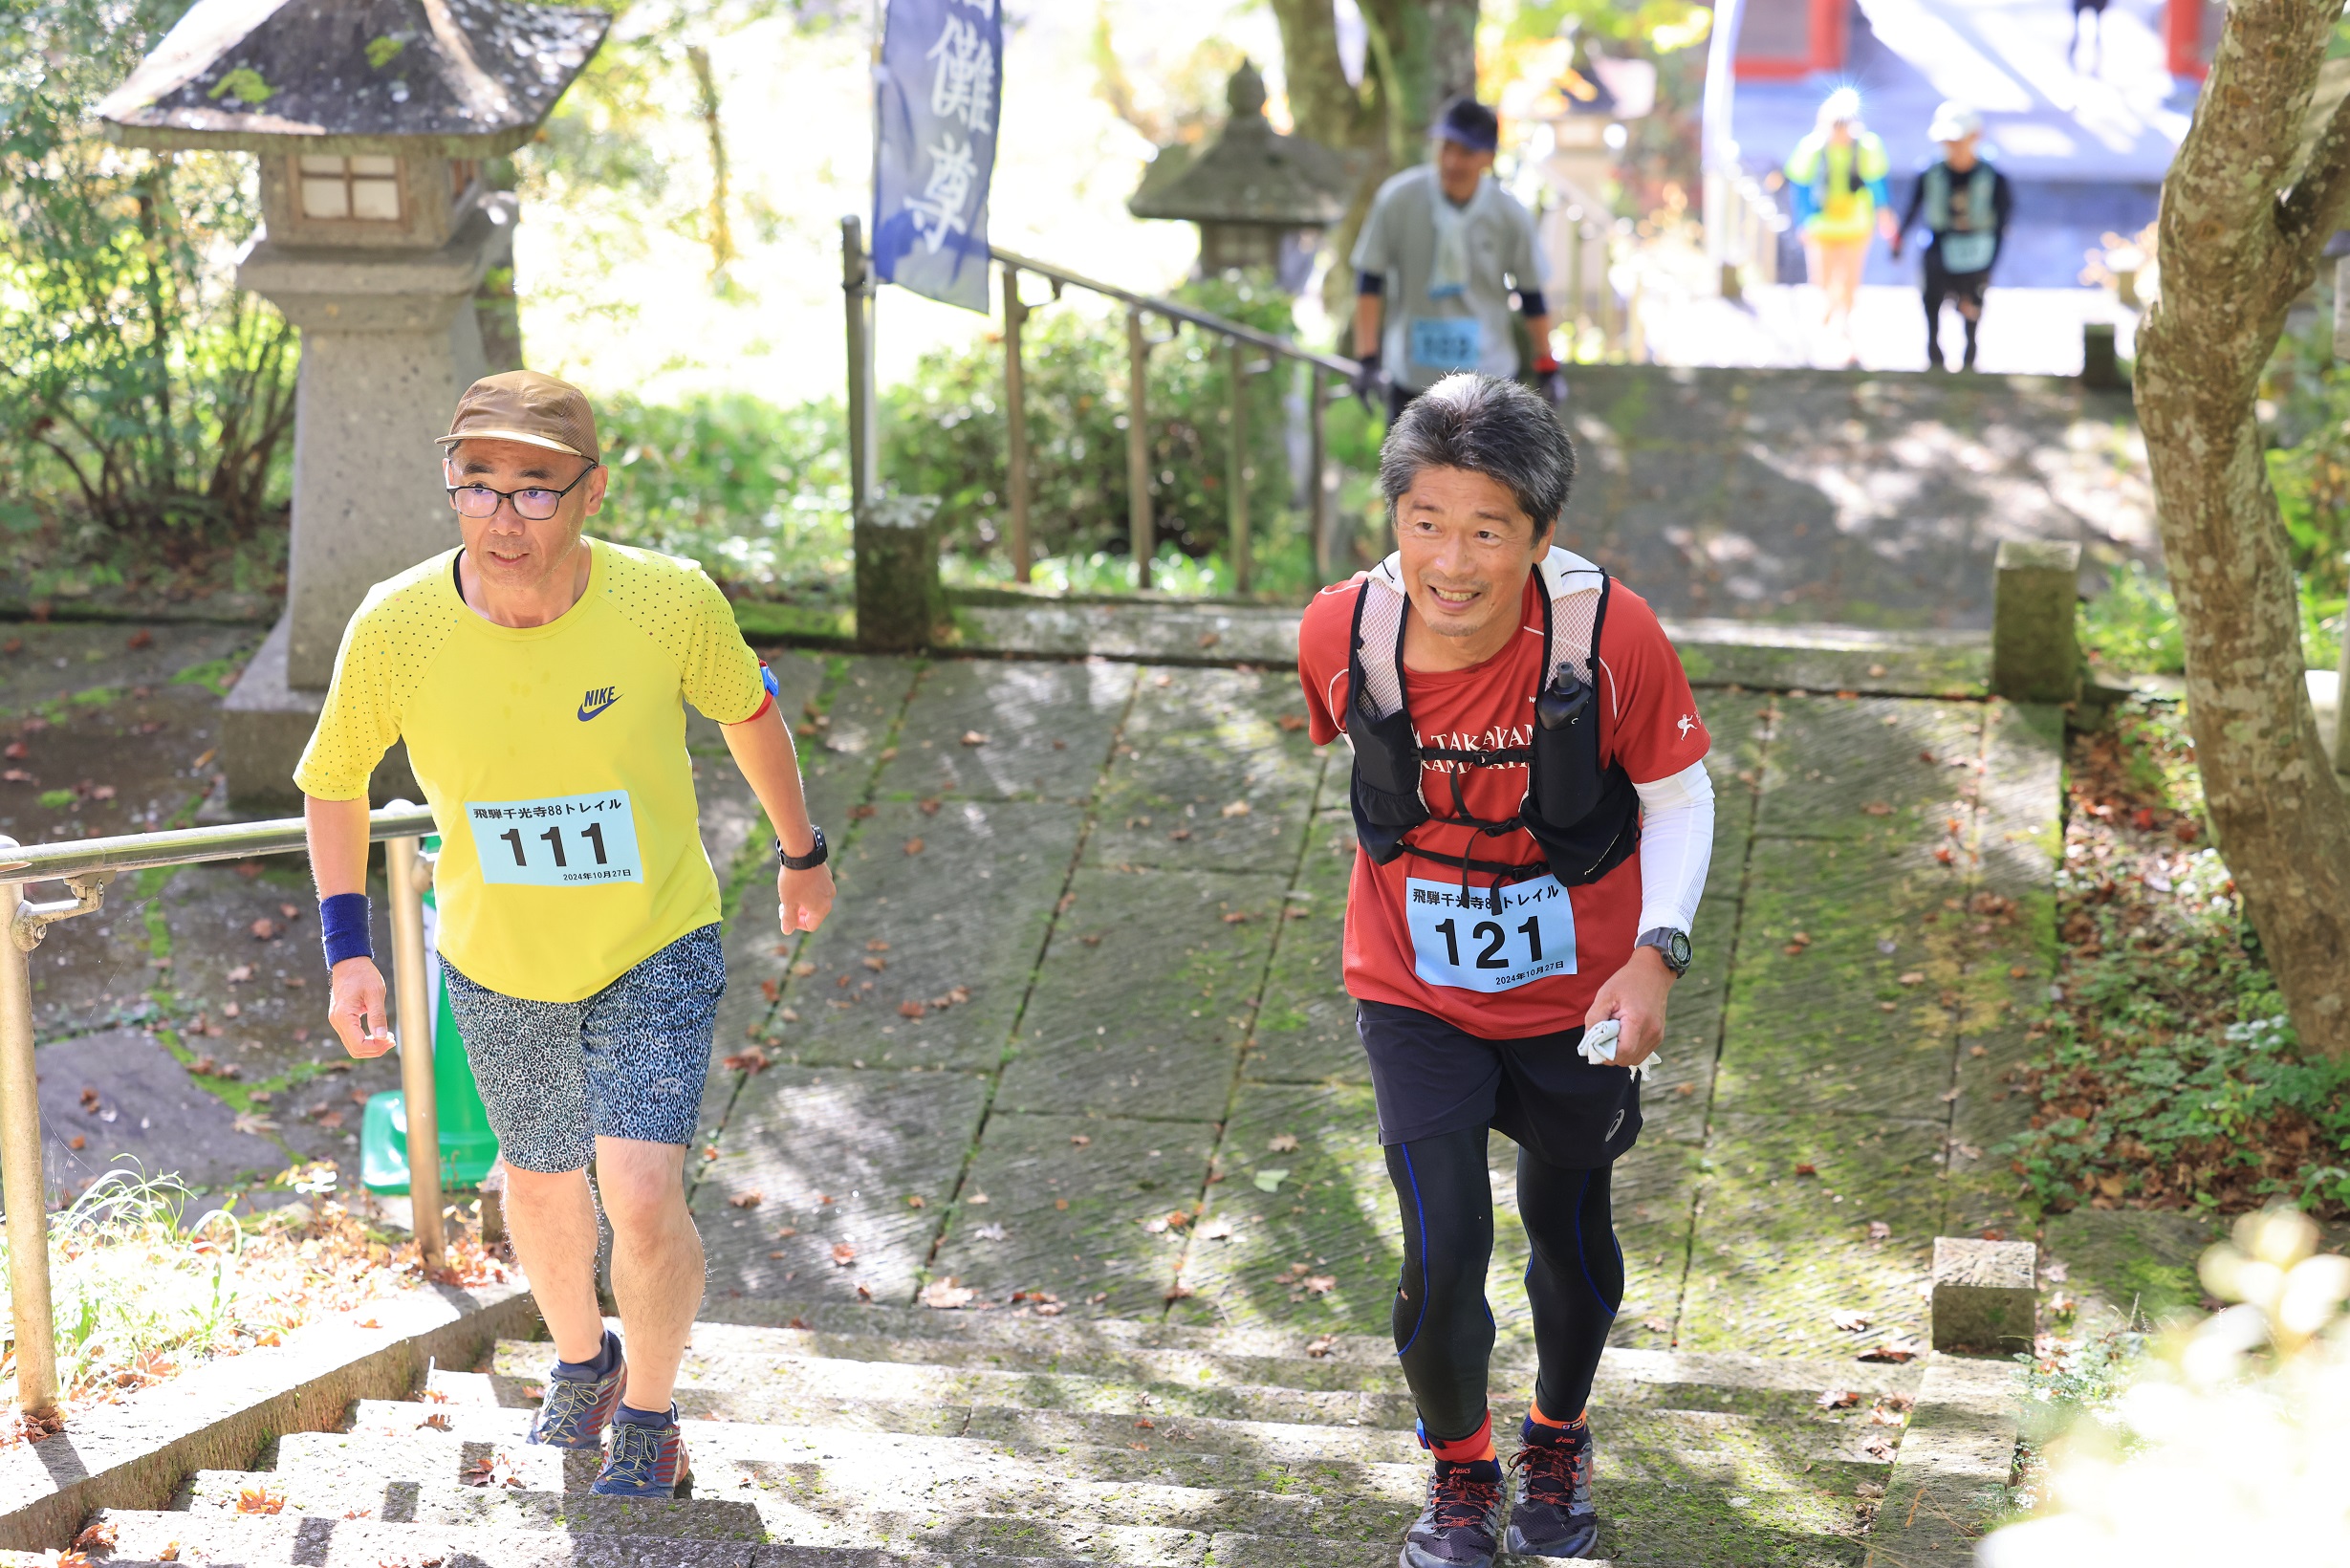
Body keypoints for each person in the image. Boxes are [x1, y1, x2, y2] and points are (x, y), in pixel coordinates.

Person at [295, 370, 836, 1499]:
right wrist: (351, 946)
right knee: (538, 1184)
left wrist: (800, 849)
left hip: (653, 941)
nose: (502, 514)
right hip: (496, 958)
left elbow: (749, 711)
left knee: (637, 1190)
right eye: (477, 482)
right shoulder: (397, 624)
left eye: (534, 488)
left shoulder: (665, 602)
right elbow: (334, 780)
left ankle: (650, 1412)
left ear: (589, 491)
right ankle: (582, 1365)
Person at [1295, 373, 1714, 1568]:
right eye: (1424, 521)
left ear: (1540, 533)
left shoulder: (1608, 636)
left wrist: (1654, 955)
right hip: (1412, 986)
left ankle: (1556, 1435)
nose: (1452, 559)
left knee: (1566, 1227)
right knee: (1441, 1251)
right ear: (1392, 520)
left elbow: (1681, 802)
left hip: (1577, 991)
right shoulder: (1343, 629)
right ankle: (1461, 1471)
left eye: (1487, 529)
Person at [1351, 98, 1566, 423]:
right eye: (1446, 146)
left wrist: (1547, 367)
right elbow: (1369, 279)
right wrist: (1366, 359)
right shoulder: (1398, 199)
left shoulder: (1509, 214)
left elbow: (1532, 294)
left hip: (1487, 380)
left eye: (1466, 151)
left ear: (1489, 158)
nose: (1452, 161)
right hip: (1412, 375)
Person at [1892, 102, 2013, 373]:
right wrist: (1899, 238)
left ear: (1975, 137)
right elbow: (1914, 206)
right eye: (1947, 140)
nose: (1953, 147)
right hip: (1939, 246)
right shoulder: (1931, 172)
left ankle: (1970, 361)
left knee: (1971, 309)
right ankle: (1935, 359)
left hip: (1977, 251)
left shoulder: (1993, 177)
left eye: (1958, 139)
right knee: (1932, 303)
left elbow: (2002, 222)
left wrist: (1990, 264)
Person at [1782, 87, 1893, 368]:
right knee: (1823, 278)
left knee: (1849, 280)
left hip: (1855, 225)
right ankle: (1829, 320)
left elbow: (1876, 182)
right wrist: (1803, 221)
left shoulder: (1867, 147)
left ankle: (1843, 331)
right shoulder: (1812, 148)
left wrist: (1884, 214)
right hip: (1822, 226)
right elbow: (1800, 187)